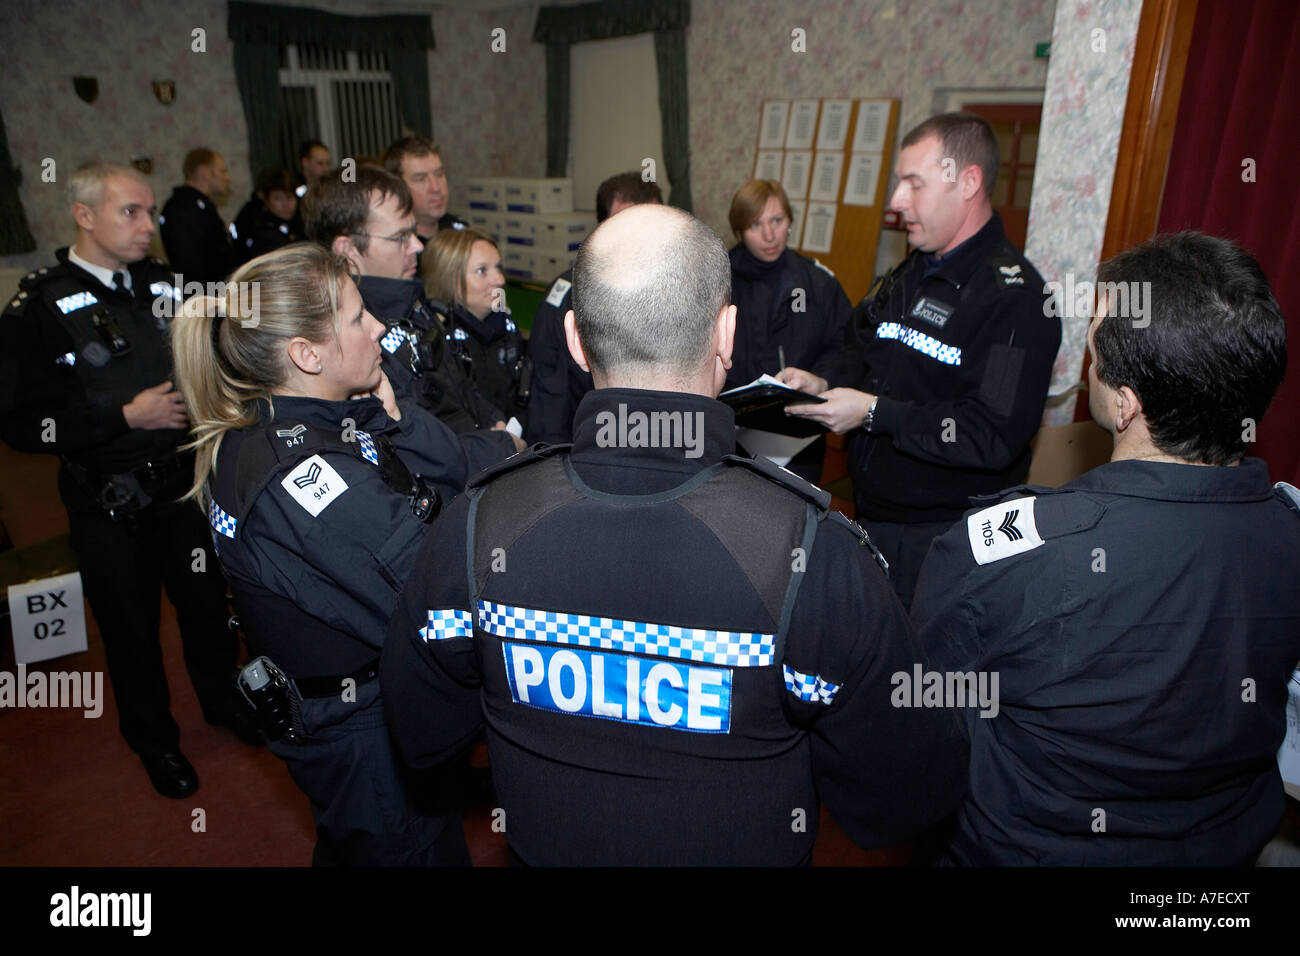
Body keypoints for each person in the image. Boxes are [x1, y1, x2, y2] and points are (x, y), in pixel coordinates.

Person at [381, 204, 968, 865]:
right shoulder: (815, 553)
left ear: (574, 340)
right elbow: (908, 792)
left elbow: (421, 736)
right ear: (727, 332)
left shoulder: (475, 525)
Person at [913, 231, 1300, 865]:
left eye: (1092, 347)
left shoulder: (1015, 551)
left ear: (1125, 405)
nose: (1087, 360)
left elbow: (921, 718)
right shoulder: (1288, 533)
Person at [170, 242, 475, 865]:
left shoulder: (288, 421)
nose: (379, 329)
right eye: (359, 318)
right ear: (306, 354)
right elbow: (432, 588)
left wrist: (392, 417)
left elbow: (440, 476)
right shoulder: (302, 471)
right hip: (360, 728)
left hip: (350, 710)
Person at [0, 162, 249, 799]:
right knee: (131, 630)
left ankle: (225, 703)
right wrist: (121, 415)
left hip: (185, 488)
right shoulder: (40, 306)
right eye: (130, 213)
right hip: (110, 503)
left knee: (206, 610)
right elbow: (21, 425)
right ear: (85, 217)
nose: (148, 226)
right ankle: (154, 741)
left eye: (149, 213)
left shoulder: (164, 284)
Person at [786, 112, 1061, 610]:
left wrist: (873, 412)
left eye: (914, 184)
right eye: (899, 184)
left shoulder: (1014, 301)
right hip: (873, 515)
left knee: (916, 678)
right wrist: (823, 379)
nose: (895, 203)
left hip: (945, 536)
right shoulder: (910, 272)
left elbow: (990, 434)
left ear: (968, 182)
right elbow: (862, 347)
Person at [302, 166, 520, 465]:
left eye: (413, 232)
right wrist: (499, 445)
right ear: (347, 249)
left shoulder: (411, 302)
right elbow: (410, 448)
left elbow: (460, 382)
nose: (417, 246)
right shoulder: (351, 337)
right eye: (400, 237)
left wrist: (495, 423)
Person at [727, 178, 852, 483]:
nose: (769, 235)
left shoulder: (818, 283)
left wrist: (822, 380)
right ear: (740, 231)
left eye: (777, 221)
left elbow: (846, 347)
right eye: (756, 225)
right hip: (728, 438)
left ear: (790, 221)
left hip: (799, 442)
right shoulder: (719, 279)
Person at [524, 171, 662, 446]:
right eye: (626, 224)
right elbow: (549, 397)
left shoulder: (677, 286)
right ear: (602, 229)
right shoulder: (567, 295)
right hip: (587, 450)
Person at [423, 228, 528, 427]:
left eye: (498, 268)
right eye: (482, 271)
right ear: (448, 278)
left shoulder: (506, 327)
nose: (500, 280)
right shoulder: (436, 347)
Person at [159, 147, 236, 285]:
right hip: (203, 298)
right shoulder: (183, 209)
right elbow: (191, 267)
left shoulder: (199, 206)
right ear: (205, 172)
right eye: (223, 171)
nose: (228, 178)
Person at [382, 137, 466, 244]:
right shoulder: (396, 249)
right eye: (420, 179)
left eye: (439, 174)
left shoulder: (460, 232)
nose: (436, 188)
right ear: (397, 188)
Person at [230, 167, 301, 265]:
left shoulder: (301, 220)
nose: (285, 204)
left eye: (289, 197)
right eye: (278, 198)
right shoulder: (258, 230)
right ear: (265, 199)